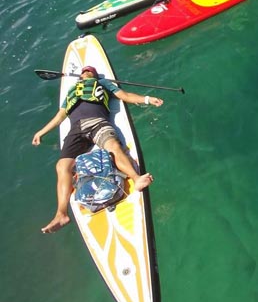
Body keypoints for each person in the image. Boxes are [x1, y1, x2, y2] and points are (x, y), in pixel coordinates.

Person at [32, 66, 163, 234]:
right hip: (76, 130)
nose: (86, 71)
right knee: (61, 167)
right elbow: (60, 116)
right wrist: (41, 132)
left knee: (114, 147)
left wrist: (147, 99)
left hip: (98, 123)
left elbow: (125, 96)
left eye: (89, 70)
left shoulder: (103, 83)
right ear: (80, 77)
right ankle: (61, 214)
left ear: (94, 74)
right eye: (84, 71)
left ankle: (136, 178)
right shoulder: (73, 90)